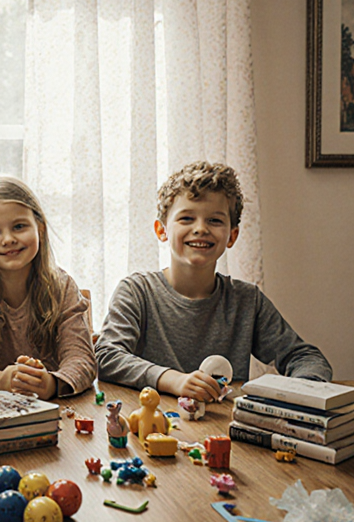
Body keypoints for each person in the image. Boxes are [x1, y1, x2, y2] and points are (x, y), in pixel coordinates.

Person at [96, 161, 332, 400]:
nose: (200, 229)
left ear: (232, 236)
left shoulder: (247, 300)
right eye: (186, 218)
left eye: (215, 221)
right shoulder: (136, 292)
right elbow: (107, 356)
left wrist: (303, 394)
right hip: (152, 430)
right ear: (162, 230)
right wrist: (174, 380)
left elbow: (305, 357)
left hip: (223, 430)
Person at [0, 176, 97, 399]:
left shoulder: (63, 287)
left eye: (19, 226)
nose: (8, 239)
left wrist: (51, 383)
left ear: (40, 229)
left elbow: (82, 359)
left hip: (55, 411)